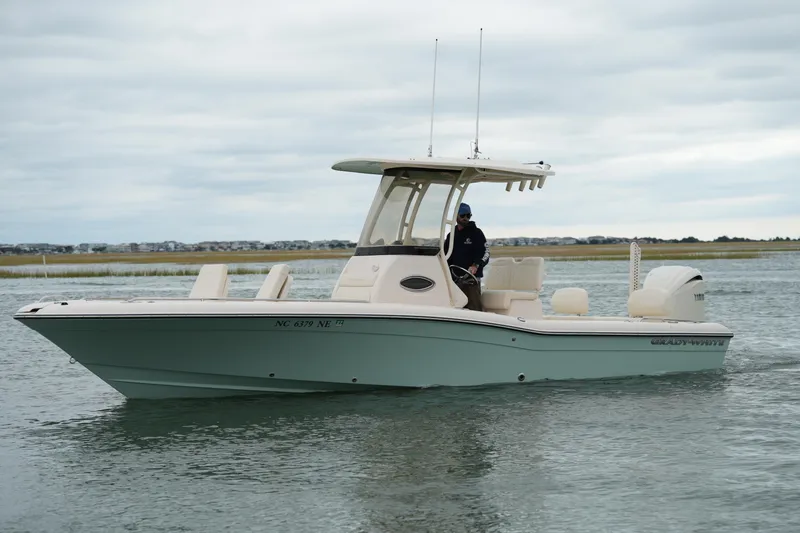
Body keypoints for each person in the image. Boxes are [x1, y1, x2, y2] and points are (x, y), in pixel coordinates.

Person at [443, 202, 490, 311]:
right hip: (454, 280)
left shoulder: (476, 233)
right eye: (462, 215)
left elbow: (486, 253)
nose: (465, 218)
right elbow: (446, 255)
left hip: (471, 280)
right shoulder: (451, 235)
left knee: (474, 308)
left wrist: (476, 265)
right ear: (456, 216)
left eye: (468, 215)